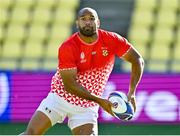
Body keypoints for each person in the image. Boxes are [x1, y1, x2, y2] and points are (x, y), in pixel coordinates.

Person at [22, 7, 144, 135]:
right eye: (83, 19)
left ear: (98, 22)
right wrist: (99, 101)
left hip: (86, 107)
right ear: (77, 23)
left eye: (91, 19)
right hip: (59, 98)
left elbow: (137, 60)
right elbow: (69, 85)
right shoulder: (68, 46)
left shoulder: (112, 40)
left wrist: (132, 92)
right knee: (31, 134)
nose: (87, 22)